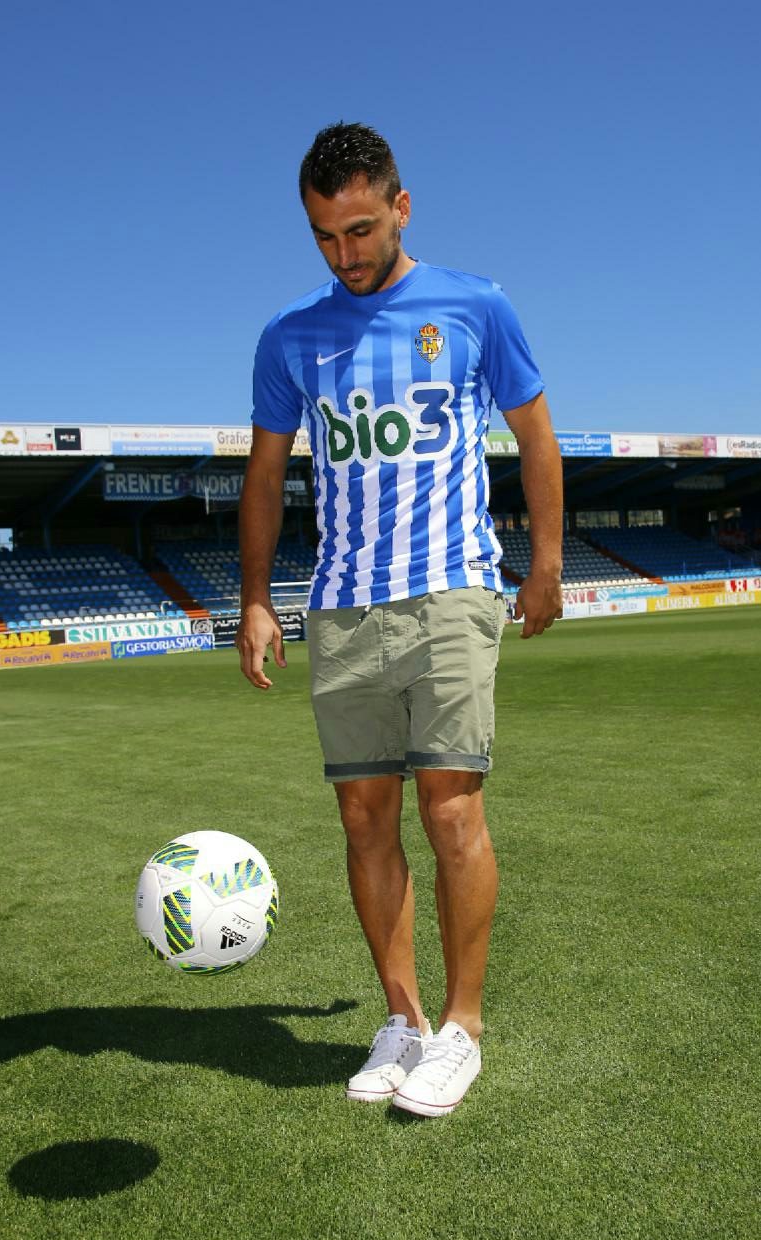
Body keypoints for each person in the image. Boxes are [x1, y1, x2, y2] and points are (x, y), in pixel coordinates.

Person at [237, 122, 563, 1118]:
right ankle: (404, 1019)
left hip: (452, 591)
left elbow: (536, 438)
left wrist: (546, 562)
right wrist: (255, 596)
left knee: (450, 810)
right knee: (363, 818)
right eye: (326, 237)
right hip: (341, 606)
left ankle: (461, 1027)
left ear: (402, 206)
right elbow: (262, 479)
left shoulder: (474, 305)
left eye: (362, 229)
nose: (346, 253)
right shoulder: (290, 335)